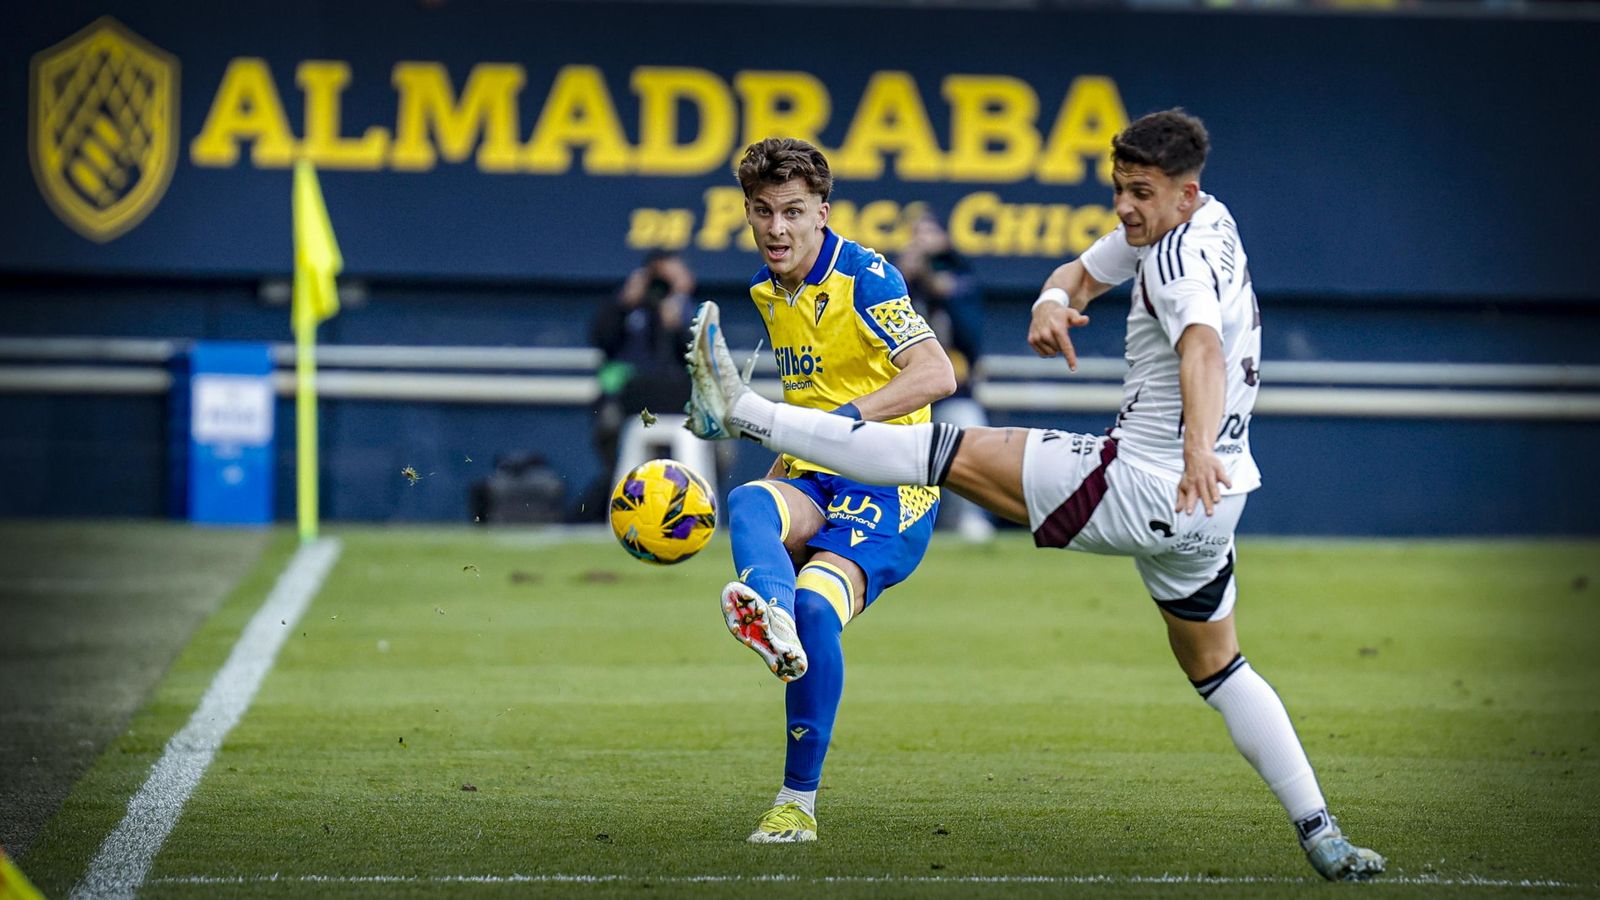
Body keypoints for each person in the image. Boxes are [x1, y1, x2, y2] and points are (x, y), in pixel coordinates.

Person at [684, 111, 1385, 881]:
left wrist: (1195, 453)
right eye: (1119, 188)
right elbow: (1086, 271)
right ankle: (1322, 831)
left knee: (942, 452)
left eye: (1139, 193)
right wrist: (1054, 299)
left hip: (1146, 482)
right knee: (1219, 668)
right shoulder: (1205, 220)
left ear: (1183, 194)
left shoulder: (1178, 259)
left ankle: (742, 410)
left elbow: (1203, 352)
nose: (1124, 207)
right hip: (1215, 509)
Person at [707, 138, 955, 844]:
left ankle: (796, 805)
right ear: (747, 213)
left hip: (890, 482)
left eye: (793, 211)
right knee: (750, 502)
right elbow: (809, 394)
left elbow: (936, 374)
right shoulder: (767, 290)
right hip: (815, 468)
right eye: (762, 211)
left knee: (819, 607)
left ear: (823, 212)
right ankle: (772, 619)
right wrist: (789, 447)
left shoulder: (867, 276)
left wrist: (837, 424)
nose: (776, 228)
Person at [896, 210, 995, 542]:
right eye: (916, 235)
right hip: (904, 389)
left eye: (929, 234)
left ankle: (970, 518)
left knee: (967, 439)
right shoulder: (895, 283)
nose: (922, 243)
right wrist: (906, 276)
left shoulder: (960, 276)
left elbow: (970, 334)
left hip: (953, 387)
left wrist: (935, 281)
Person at [583, 250, 697, 519]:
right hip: (628, 400)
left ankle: (691, 503)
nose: (660, 287)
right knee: (609, 425)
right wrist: (623, 304)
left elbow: (698, 356)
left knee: (715, 443)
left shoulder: (687, 310)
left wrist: (677, 322)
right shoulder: (628, 307)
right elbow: (602, 341)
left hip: (678, 400)